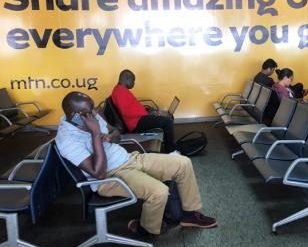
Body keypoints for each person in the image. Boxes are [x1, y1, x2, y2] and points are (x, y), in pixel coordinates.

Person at [55, 91, 217, 237]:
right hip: (111, 177)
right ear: (75, 115)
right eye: (89, 112)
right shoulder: (67, 140)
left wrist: (110, 135)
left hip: (130, 158)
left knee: (183, 163)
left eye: (93, 109)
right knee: (159, 191)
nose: (94, 114)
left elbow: (117, 133)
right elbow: (99, 173)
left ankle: (189, 215)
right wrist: (96, 135)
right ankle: (145, 229)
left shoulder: (89, 116)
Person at [111, 70, 178, 154]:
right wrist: (148, 113)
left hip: (137, 118)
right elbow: (126, 112)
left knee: (167, 118)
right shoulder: (120, 91)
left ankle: (169, 144)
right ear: (127, 78)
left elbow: (132, 106)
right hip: (135, 123)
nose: (134, 83)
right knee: (167, 121)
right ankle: (171, 151)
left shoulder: (120, 90)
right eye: (133, 80)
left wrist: (147, 109)